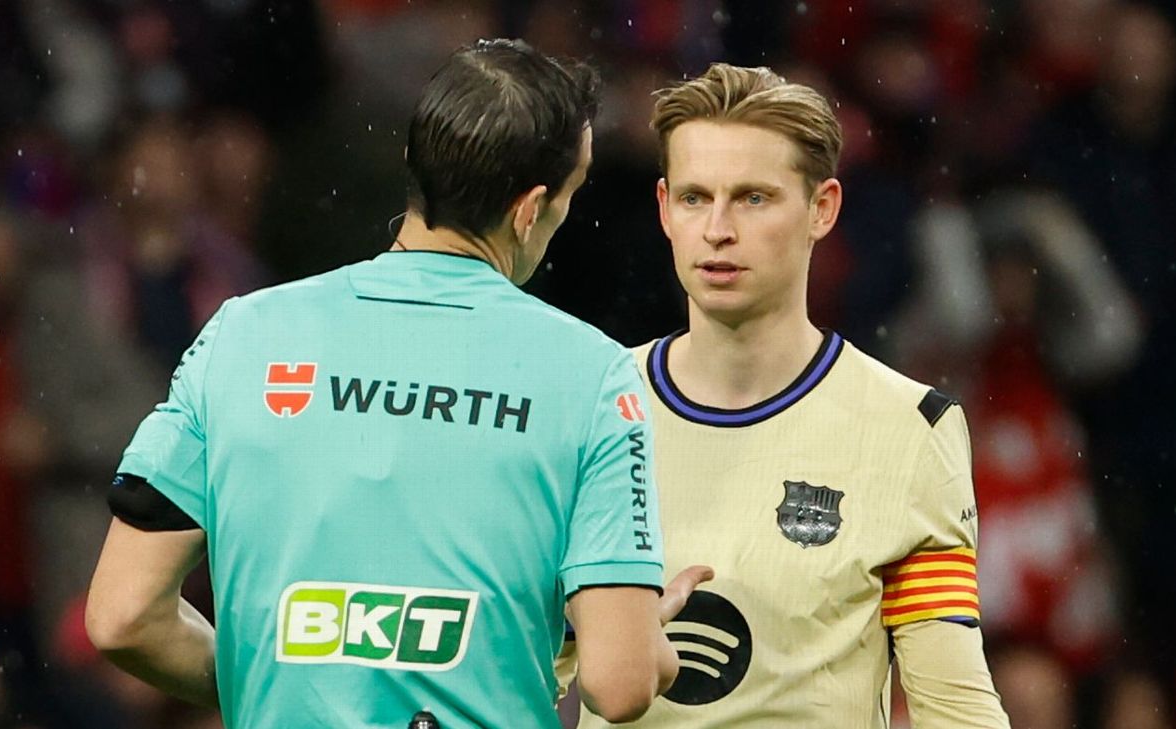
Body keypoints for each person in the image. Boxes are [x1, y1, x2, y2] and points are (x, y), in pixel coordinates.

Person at [85, 39, 709, 728]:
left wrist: (268, 684)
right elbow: (619, 685)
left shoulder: (241, 334)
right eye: (570, 192)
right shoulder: (592, 374)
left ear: (417, 165)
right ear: (532, 208)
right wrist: (647, 645)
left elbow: (122, 618)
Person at [559, 63, 1010, 727]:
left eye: (753, 198)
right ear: (663, 207)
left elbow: (955, 709)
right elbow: (515, 677)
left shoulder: (910, 429)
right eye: (694, 197)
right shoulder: (584, 411)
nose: (717, 228)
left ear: (822, 208)